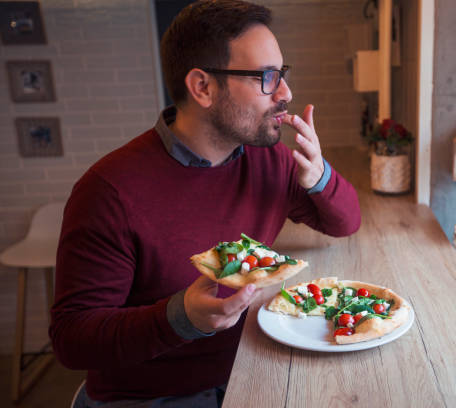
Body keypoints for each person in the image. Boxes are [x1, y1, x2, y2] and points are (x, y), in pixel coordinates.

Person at [49, 1, 361, 407]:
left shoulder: (271, 161)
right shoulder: (108, 191)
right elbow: (72, 341)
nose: (286, 93)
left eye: (281, 74)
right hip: (147, 398)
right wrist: (181, 318)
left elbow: (345, 221)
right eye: (267, 77)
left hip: (249, 374)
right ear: (202, 87)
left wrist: (318, 175)